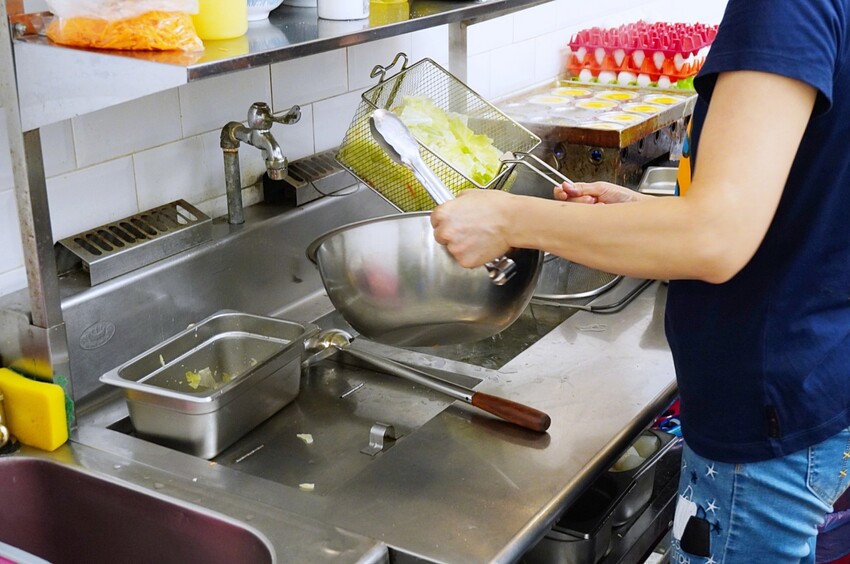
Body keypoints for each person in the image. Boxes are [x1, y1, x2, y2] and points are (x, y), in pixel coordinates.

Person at [430, 1, 850, 561]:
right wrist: (643, 215)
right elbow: (809, 194)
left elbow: (715, 238)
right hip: (818, 375)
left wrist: (509, 219)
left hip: (768, 413)